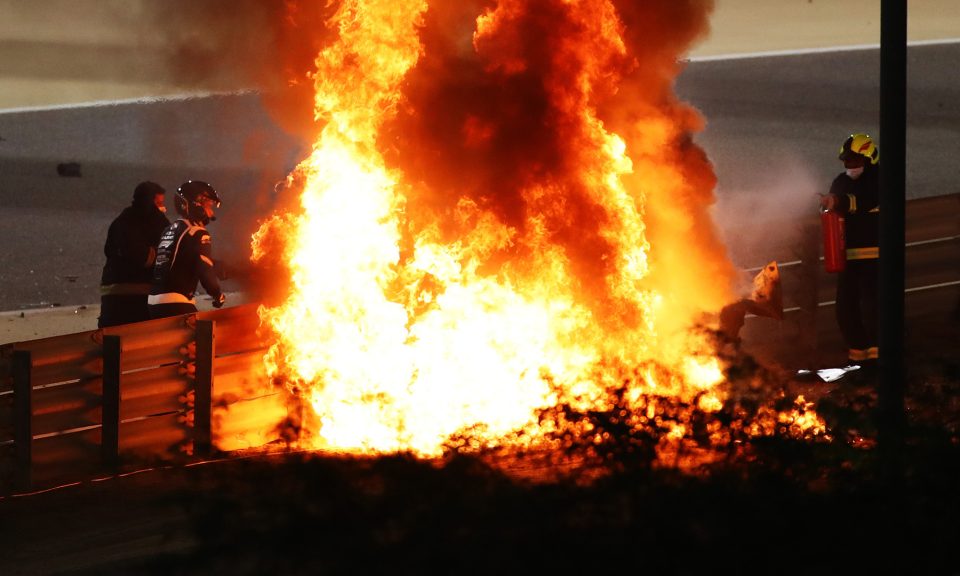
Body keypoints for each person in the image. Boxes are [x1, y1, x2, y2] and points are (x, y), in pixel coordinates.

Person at [819, 133, 880, 366]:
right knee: (845, 310)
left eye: (854, 161)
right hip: (848, 258)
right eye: (846, 162)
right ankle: (858, 360)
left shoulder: (880, 179)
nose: (849, 166)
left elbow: (865, 200)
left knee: (874, 310)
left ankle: (881, 362)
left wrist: (838, 202)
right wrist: (825, 204)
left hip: (876, 257)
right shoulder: (841, 181)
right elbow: (834, 207)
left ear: (869, 158)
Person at [148, 180, 226, 319]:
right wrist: (216, 293)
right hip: (176, 301)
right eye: (208, 205)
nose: (211, 211)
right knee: (210, 334)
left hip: (153, 302)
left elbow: (182, 258)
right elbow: (204, 267)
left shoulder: (170, 229)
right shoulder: (197, 231)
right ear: (196, 204)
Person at [98, 181, 170, 328]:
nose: (163, 208)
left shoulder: (120, 222)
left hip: (111, 298)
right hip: (139, 299)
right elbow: (145, 256)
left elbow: (108, 251)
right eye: (159, 203)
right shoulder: (154, 222)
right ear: (149, 203)